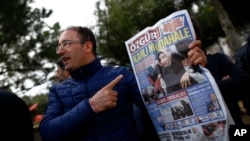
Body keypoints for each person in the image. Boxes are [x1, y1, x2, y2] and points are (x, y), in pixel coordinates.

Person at [39, 26, 206, 141]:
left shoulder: (120, 75)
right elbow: (47, 132)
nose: (60, 51)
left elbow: (162, 104)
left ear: (87, 46)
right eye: (59, 46)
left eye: (66, 44)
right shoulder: (57, 91)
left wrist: (194, 68)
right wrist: (90, 106)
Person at [191, 16, 250, 125]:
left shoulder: (218, 60)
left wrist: (214, 83)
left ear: (197, 36)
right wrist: (223, 84)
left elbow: (246, 84)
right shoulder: (175, 75)